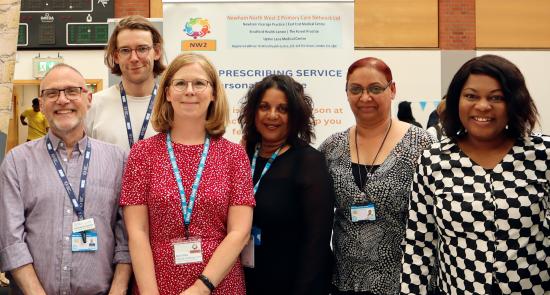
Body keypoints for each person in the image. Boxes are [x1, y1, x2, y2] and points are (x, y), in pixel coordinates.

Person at [401, 54, 550, 294]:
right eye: (471, 96)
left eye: (496, 97)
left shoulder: (543, 155)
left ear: (514, 102)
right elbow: (419, 245)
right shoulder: (434, 160)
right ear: (456, 100)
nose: (483, 106)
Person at [120, 53, 254, 295]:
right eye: (180, 83)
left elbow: (239, 232)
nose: (189, 91)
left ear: (213, 93)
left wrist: (201, 288)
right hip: (156, 283)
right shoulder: (142, 153)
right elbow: (137, 233)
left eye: (199, 83)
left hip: (218, 284)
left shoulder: (234, 155)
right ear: (168, 93)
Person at [0, 64, 131, 294]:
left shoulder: (118, 160)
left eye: (72, 91)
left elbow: (127, 239)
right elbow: (11, 240)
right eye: (52, 93)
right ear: (41, 105)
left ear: (88, 98)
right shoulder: (16, 162)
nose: (62, 100)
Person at [319, 57, 433, 295]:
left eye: (375, 88)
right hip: (344, 282)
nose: (365, 97)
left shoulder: (422, 145)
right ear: (347, 92)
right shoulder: (332, 148)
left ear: (392, 90)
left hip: (406, 282)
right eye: (356, 89)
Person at [238, 75, 334, 295]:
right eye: (264, 107)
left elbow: (316, 243)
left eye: (283, 109)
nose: (272, 115)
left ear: (295, 116)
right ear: (253, 111)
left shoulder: (309, 162)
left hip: (292, 284)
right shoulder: (241, 155)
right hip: (245, 281)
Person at [86, 15, 165, 151]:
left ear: (156, 52)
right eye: (125, 50)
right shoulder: (94, 105)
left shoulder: (172, 104)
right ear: (116, 56)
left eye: (142, 49)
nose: (134, 58)